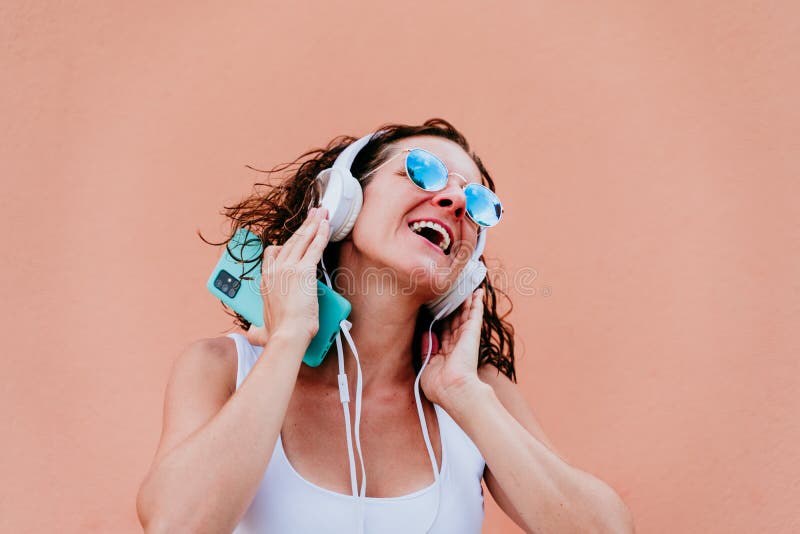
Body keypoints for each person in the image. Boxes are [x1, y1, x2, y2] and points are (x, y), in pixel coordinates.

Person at [136, 119, 634, 533]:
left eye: (477, 203)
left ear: (469, 266)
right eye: (421, 172)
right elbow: (177, 525)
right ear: (341, 202)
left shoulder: (480, 398)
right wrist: (288, 340)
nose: (456, 203)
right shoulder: (222, 368)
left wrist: (464, 394)